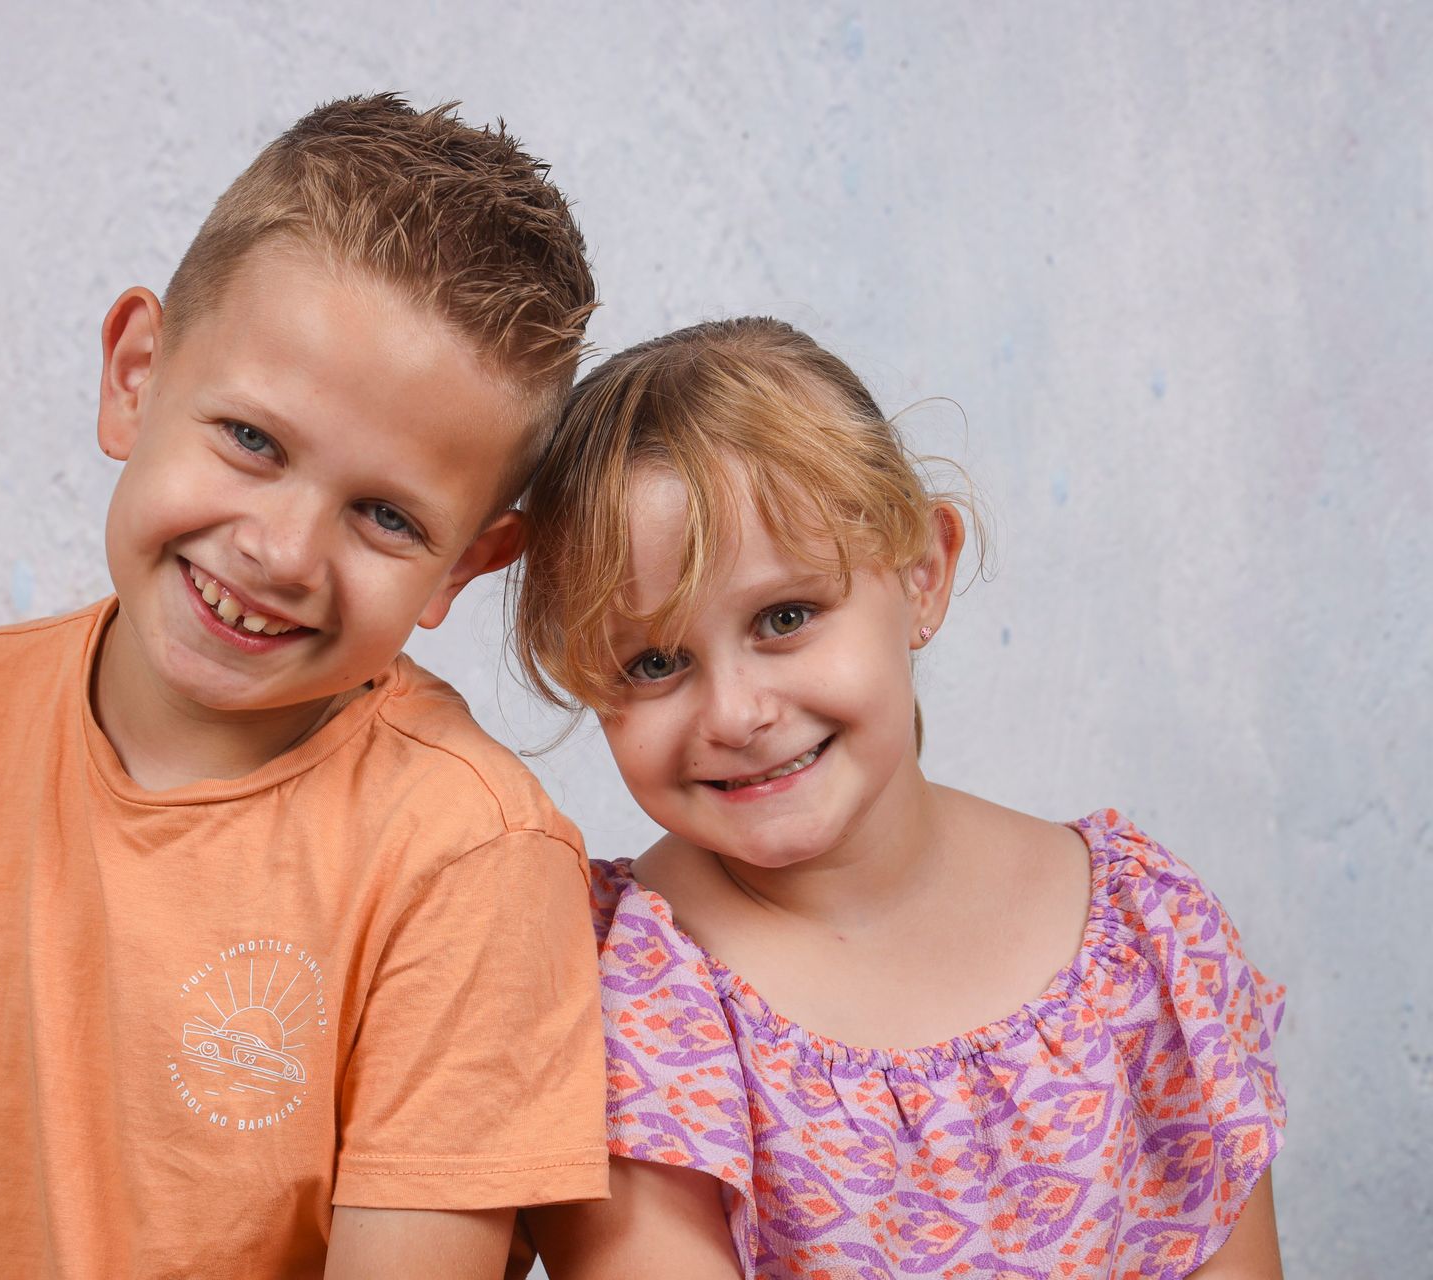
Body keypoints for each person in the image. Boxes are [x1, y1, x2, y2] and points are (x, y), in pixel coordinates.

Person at [0, 94, 609, 1279]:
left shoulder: (469, 857)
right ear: (136, 373)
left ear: (464, 565)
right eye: (253, 440)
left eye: (384, 514)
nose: (283, 550)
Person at [513, 318, 1285, 1279]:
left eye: (785, 618)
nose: (737, 712)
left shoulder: (1142, 930)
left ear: (923, 572)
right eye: (656, 661)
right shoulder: (616, 995)